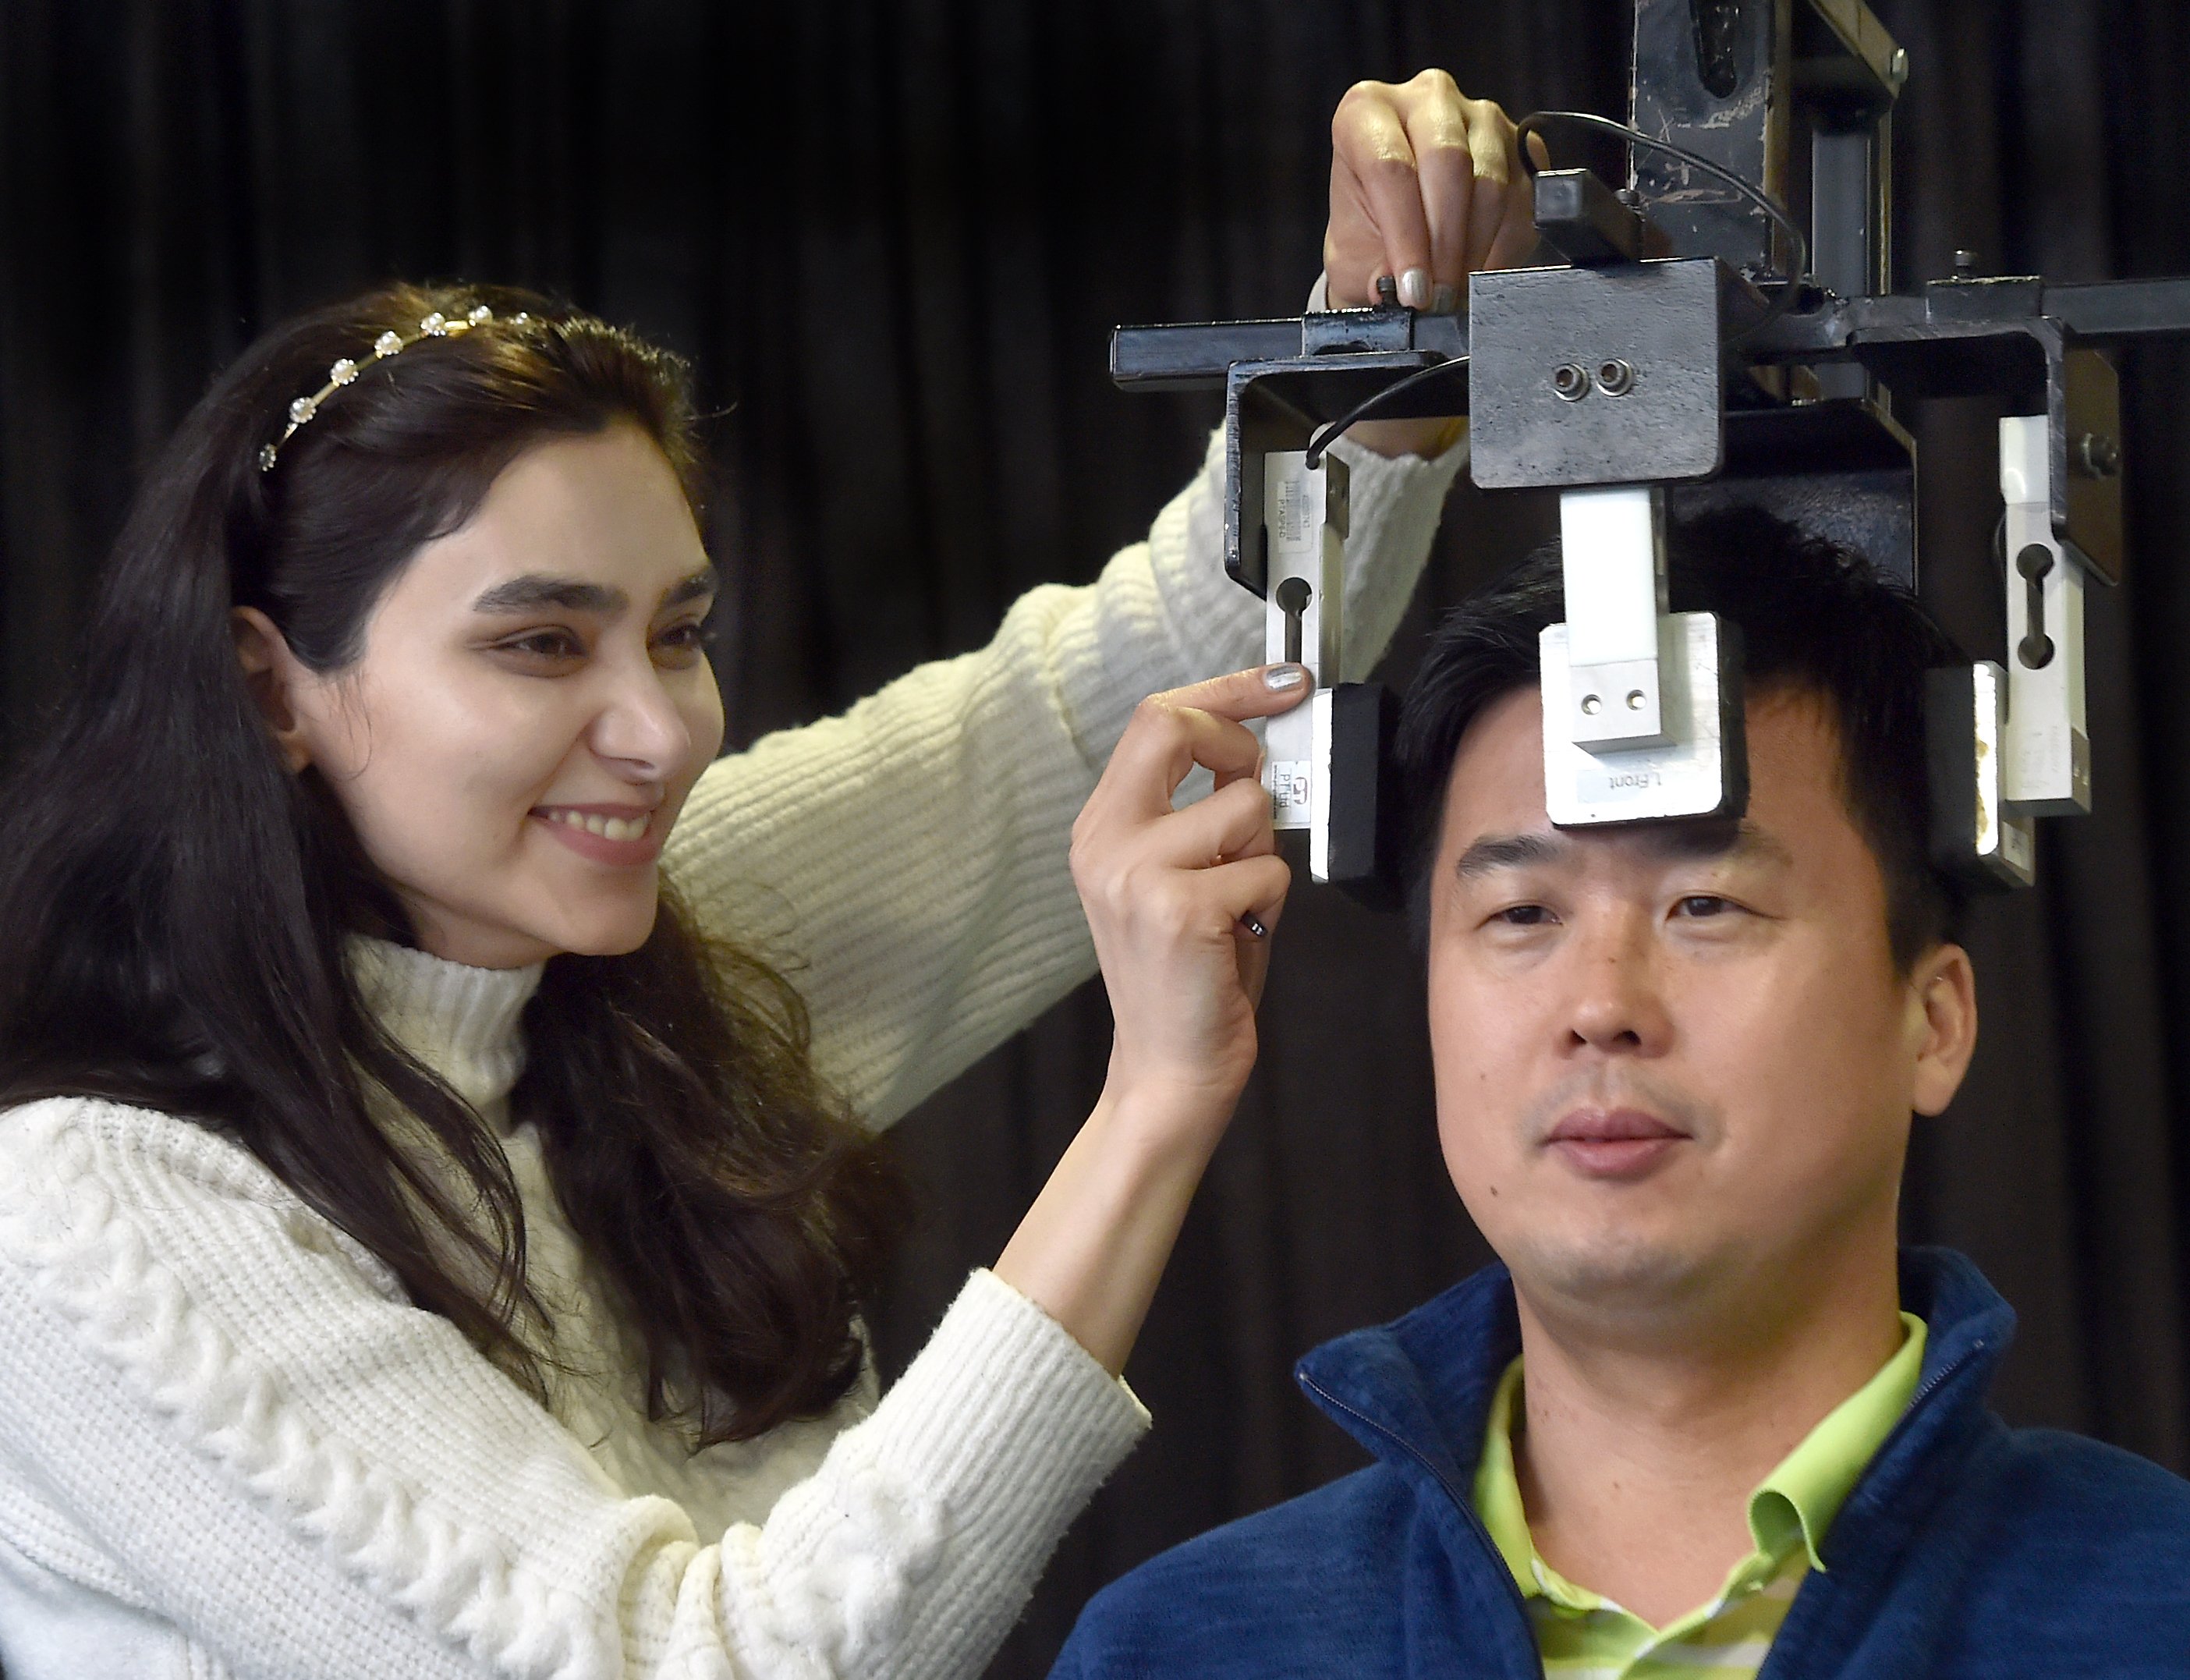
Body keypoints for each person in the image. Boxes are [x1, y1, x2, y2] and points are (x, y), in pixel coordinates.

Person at [0, 71, 1535, 1680]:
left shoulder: (650, 952)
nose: (659, 732)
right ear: (269, 689)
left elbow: (1167, 681)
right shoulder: (91, 1216)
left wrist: (1389, 336)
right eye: (538, 644)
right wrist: (1151, 1106)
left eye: (676, 632)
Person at [1054, 509, 2190, 1679]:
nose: (1601, 1002)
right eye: (1522, 915)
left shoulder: (2157, 1612)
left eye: (1705, 904)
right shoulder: (1183, 1649)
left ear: (1934, 1020)